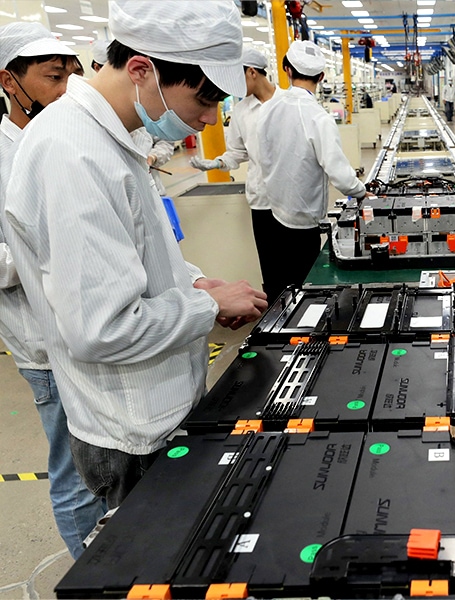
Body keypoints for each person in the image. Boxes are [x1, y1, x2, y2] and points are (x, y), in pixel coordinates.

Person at [4, 0, 268, 509]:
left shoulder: (113, 137)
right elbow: (101, 328)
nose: (211, 118)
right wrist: (208, 308)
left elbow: (142, 251)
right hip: (131, 429)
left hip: (156, 405)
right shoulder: (72, 152)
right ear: (142, 70)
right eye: (205, 99)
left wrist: (195, 284)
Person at [0, 21, 106, 559]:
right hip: (42, 343)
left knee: (106, 463)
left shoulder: (69, 134)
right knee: (74, 471)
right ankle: (91, 576)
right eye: (50, 76)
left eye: (70, 73)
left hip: (92, 330)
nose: (65, 87)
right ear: (9, 81)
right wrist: (53, 244)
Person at [257, 40, 371, 294]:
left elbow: (262, 155)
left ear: (286, 69)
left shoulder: (267, 110)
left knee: (280, 283)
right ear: (321, 76)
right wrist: (362, 192)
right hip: (303, 222)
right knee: (304, 285)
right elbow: (338, 171)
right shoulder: (318, 117)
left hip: (272, 211)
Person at [190, 48, 284, 296]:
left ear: (252, 72)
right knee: (270, 264)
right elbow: (238, 152)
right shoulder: (242, 111)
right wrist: (217, 163)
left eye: (237, 76)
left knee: (298, 261)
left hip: (292, 197)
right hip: (261, 200)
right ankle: (277, 312)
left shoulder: (289, 103)